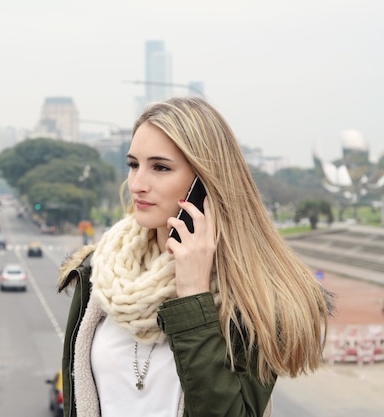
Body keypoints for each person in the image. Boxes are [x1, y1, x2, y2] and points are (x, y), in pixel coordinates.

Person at [58, 97, 331, 417]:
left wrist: (193, 297)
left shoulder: (255, 298)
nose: (137, 184)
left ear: (205, 182)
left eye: (160, 167)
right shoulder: (98, 273)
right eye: (133, 164)